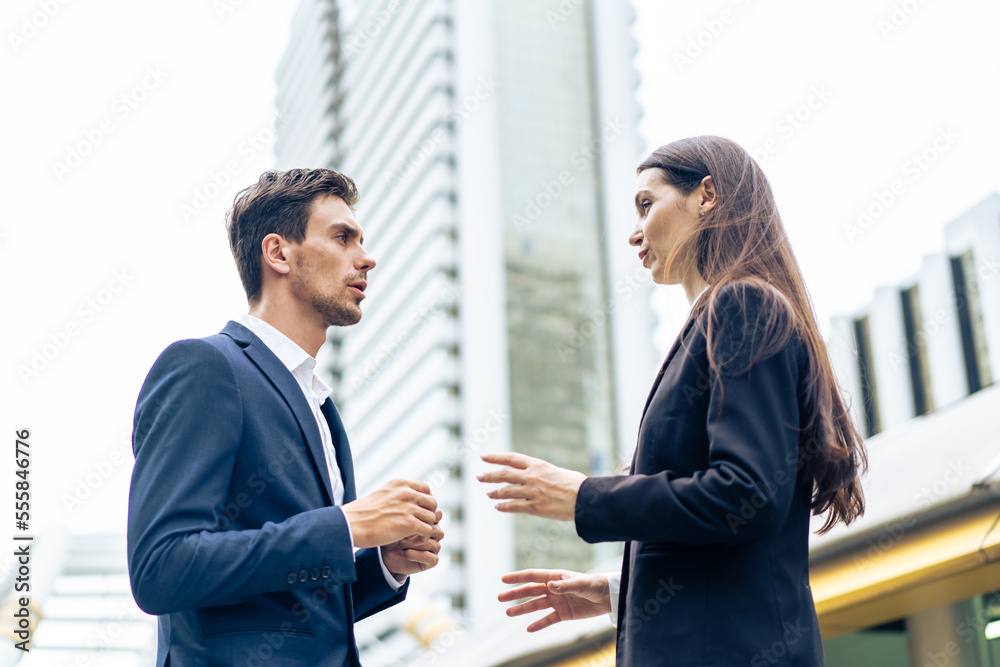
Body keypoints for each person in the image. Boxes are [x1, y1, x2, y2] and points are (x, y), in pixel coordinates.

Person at [478, 136, 866, 665]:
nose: (634, 233)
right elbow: (722, 533)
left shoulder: (742, 303)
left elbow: (745, 496)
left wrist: (583, 497)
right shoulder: (719, 319)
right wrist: (621, 590)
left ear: (706, 195)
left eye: (646, 204)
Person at [128, 169, 444, 667]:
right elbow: (162, 569)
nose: (367, 258)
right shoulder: (206, 367)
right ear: (278, 253)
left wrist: (383, 563)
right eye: (343, 237)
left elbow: (293, 616)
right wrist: (348, 526)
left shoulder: (321, 407)